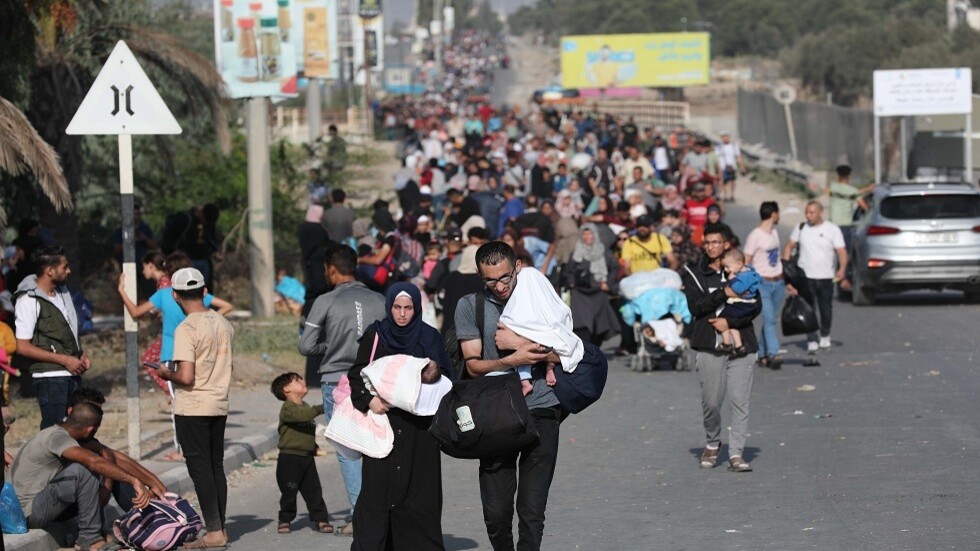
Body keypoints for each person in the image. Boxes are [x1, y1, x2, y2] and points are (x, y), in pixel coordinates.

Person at [455, 241, 567, 551]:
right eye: (491, 280)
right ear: (480, 276)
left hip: (542, 408)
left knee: (532, 509)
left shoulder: (539, 297)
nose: (501, 286)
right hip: (494, 413)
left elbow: (567, 353)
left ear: (517, 266)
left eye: (506, 277)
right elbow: (473, 366)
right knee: (496, 511)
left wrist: (531, 350)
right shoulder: (470, 306)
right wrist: (510, 361)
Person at [346, 282, 452, 550]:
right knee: (377, 492)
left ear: (416, 309)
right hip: (382, 425)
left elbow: (447, 380)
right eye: (397, 307)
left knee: (419, 494)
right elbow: (357, 374)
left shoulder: (429, 337)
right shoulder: (376, 335)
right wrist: (370, 401)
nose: (402, 314)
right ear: (389, 306)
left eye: (408, 308)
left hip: (420, 431)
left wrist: (431, 377)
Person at [298, 245, 385, 536]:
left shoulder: (324, 301)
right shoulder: (379, 299)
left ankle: (359, 516)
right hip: (374, 381)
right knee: (377, 445)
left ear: (331, 269)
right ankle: (380, 513)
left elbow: (306, 346)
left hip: (337, 382)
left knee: (348, 450)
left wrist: (330, 346)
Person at [156, 267, 235, 549]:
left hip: (192, 406)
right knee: (215, 467)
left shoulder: (186, 329)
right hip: (219, 403)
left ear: (175, 296)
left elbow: (186, 377)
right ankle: (220, 527)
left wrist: (166, 374)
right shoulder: (224, 324)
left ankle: (213, 533)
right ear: (204, 291)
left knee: (200, 469)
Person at [10, 402, 157, 551]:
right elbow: (93, 462)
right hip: (27, 512)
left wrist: (154, 484)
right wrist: (134, 481)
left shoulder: (59, 433)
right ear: (91, 429)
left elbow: (111, 457)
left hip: (36, 506)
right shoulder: (57, 438)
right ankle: (89, 539)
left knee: (103, 469)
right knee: (85, 469)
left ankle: (141, 525)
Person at [681, 223, 761, 473]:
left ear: (726, 243)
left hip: (742, 346)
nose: (711, 247)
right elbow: (696, 307)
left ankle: (736, 453)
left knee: (740, 402)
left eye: (716, 242)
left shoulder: (741, 269)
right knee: (711, 402)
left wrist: (730, 321)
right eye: (707, 242)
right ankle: (713, 442)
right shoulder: (695, 273)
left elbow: (755, 304)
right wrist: (724, 293)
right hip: (708, 345)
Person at [14, 246, 90, 429]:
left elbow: (68, 330)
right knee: (54, 433)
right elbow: (22, 346)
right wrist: (64, 359)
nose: (69, 271)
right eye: (65, 267)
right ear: (49, 270)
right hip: (50, 378)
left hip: (72, 374)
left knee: (76, 431)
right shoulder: (28, 301)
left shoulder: (63, 293)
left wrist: (81, 355)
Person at [270, 372, 332, 534]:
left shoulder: (304, 406)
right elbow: (304, 416)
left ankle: (320, 519)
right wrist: (324, 406)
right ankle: (285, 519)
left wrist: (313, 446)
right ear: (286, 389)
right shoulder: (289, 408)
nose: (303, 382)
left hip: (306, 458)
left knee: (314, 490)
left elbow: (305, 430)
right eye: (297, 381)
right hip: (289, 459)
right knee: (289, 490)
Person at [782, 201, 847, 353]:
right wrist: (787, 270)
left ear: (820, 213)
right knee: (808, 308)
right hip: (805, 276)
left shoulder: (832, 229)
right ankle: (811, 338)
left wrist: (842, 268)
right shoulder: (801, 228)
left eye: (812, 212)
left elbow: (841, 251)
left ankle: (825, 335)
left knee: (826, 308)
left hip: (826, 276)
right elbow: (789, 246)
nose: (809, 216)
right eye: (807, 212)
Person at [742, 201, 785, 369]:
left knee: (771, 320)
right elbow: (746, 259)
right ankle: (773, 353)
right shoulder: (755, 235)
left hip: (778, 282)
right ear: (773, 214)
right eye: (778, 213)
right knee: (768, 319)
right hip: (762, 283)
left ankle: (761, 353)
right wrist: (745, 285)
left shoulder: (774, 232)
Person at [826, 164, 874, 288]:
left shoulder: (833, 187)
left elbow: (853, 193)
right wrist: (869, 190)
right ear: (849, 176)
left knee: (834, 254)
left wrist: (865, 190)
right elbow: (863, 206)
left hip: (832, 226)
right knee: (845, 254)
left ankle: (835, 278)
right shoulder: (852, 191)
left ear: (838, 175)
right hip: (845, 227)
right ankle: (843, 278)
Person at [716, 249, 761, 358]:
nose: (726, 270)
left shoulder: (743, 276)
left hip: (742, 304)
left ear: (739, 264)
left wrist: (732, 280)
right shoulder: (749, 273)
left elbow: (739, 289)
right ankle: (739, 346)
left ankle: (726, 344)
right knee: (731, 324)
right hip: (745, 303)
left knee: (722, 319)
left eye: (728, 267)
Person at [716, 133, 745, 203]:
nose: (725, 138)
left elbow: (738, 156)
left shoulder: (734, 146)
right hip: (723, 166)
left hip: (732, 166)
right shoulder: (719, 147)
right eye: (723, 137)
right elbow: (716, 158)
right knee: (725, 181)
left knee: (733, 181)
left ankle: (732, 195)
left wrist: (742, 166)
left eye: (726, 137)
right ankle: (726, 195)